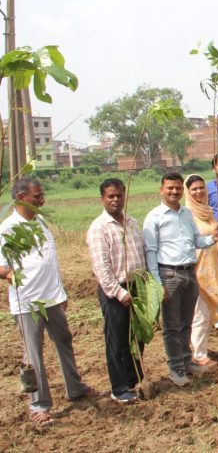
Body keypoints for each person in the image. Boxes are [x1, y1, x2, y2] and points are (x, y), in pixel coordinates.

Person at [1, 178, 98, 425]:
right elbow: (1, 265)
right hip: (27, 302)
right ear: (21, 198)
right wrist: (10, 274)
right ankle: (38, 405)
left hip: (52, 298)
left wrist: (60, 292)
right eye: (37, 197)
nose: (42, 200)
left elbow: (50, 260)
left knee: (64, 341)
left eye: (42, 195)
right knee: (33, 354)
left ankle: (74, 387)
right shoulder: (8, 228)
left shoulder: (41, 222)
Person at [143, 172, 218, 387]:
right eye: (170, 188)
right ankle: (176, 369)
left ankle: (187, 362)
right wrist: (156, 283)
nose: (174, 192)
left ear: (182, 190)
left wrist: (212, 238)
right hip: (168, 274)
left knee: (186, 322)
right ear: (161, 190)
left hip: (190, 272)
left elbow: (196, 241)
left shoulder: (187, 214)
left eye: (178, 188)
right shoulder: (155, 217)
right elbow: (150, 251)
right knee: (171, 326)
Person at [87, 178, 146, 404]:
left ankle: (133, 379)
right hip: (115, 292)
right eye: (111, 196)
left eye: (119, 195)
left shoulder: (131, 222)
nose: (116, 200)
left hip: (136, 287)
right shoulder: (99, 228)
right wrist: (119, 293)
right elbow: (101, 268)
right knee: (117, 340)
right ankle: (119, 387)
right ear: (102, 198)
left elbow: (141, 254)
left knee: (137, 337)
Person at [184, 174, 218, 367]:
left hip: (214, 268)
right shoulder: (187, 214)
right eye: (194, 189)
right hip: (198, 270)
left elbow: (214, 234)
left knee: (209, 312)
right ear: (188, 192)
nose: (199, 192)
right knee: (200, 314)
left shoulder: (208, 211)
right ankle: (199, 355)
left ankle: (199, 347)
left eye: (201, 188)